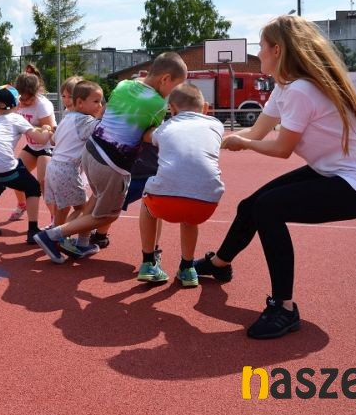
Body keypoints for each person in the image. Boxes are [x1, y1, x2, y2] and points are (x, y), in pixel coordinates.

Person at [194, 15, 356, 340]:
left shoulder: (300, 90)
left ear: (278, 50)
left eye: (261, 46)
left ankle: (284, 308)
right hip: (331, 171)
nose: (258, 52)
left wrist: (243, 144)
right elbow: (256, 132)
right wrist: (210, 138)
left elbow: (281, 149)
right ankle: (220, 264)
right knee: (251, 205)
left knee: (268, 208)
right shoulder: (284, 88)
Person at [33, 52, 187, 263]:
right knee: (108, 215)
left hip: (91, 151)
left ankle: (82, 242)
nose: (173, 92)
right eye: (175, 86)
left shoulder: (124, 85)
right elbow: (147, 135)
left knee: (96, 197)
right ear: (165, 79)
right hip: (113, 163)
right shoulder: (158, 103)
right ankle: (52, 235)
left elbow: (103, 113)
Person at [135, 83, 224, 287]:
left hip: (165, 202)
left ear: (172, 109)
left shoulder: (166, 127)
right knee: (190, 215)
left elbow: (147, 136)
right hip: (205, 204)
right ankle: (188, 268)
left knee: (147, 204)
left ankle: (148, 262)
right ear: (205, 108)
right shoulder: (216, 125)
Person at [0, 85, 54, 242]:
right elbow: (41, 140)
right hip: (3, 167)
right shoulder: (17, 118)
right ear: (17, 104)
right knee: (33, 187)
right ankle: (33, 230)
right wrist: (47, 129)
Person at [43, 80, 103, 258]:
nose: (99, 105)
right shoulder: (85, 121)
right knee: (84, 209)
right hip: (67, 169)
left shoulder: (67, 117)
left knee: (63, 208)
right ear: (80, 103)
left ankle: (56, 239)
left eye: (101, 102)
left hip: (53, 166)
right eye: (96, 101)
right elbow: (103, 129)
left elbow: (53, 140)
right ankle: (55, 237)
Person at [8, 72, 57, 225]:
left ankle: (55, 217)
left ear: (36, 93)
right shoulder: (17, 101)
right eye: (21, 99)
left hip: (47, 146)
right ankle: (22, 204)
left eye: (29, 99)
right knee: (15, 175)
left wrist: (33, 128)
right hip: (32, 146)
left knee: (43, 182)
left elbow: (49, 131)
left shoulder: (42, 105)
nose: (25, 102)